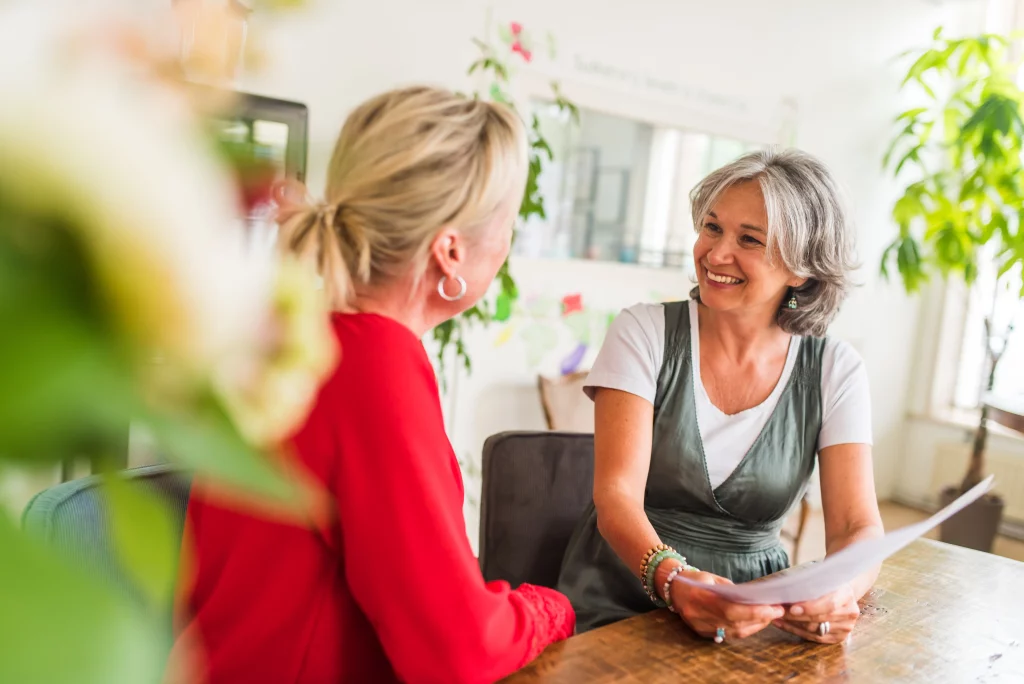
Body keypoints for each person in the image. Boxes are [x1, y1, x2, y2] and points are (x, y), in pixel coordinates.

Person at [169, 86, 575, 684]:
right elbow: (457, 653)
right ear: (451, 252)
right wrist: (551, 608)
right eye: (508, 224)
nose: (509, 243)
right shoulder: (374, 368)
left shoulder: (293, 335)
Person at [556, 148, 884, 644]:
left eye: (748, 239)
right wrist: (674, 579)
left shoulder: (835, 369)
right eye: (712, 228)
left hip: (753, 616)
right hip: (622, 595)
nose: (715, 254)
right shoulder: (643, 332)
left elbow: (857, 526)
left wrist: (841, 591)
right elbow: (616, 497)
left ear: (801, 270)